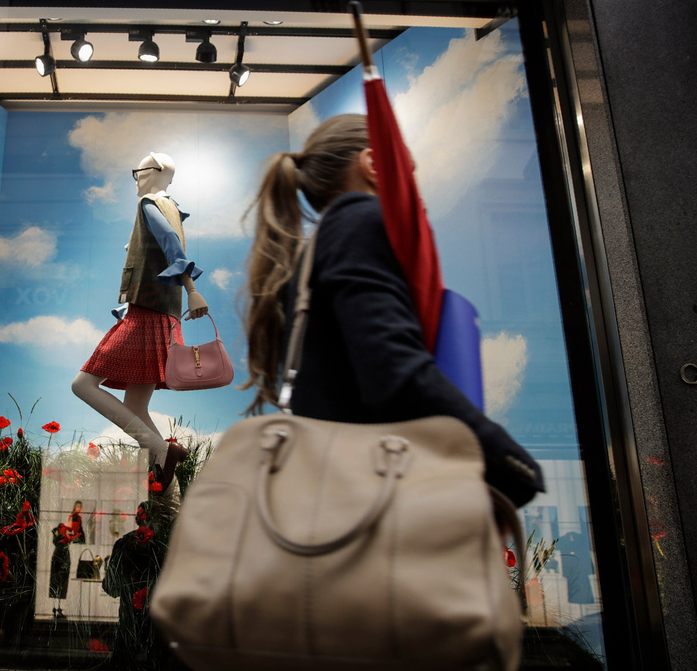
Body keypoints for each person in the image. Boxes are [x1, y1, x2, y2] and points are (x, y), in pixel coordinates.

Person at [242, 114, 544, 508]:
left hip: (338, 497)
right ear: (373, 164)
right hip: (373, 501)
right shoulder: (361, 221)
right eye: (410, 170)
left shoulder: (321, 246)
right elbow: (393, 370)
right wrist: (507, 463)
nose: (418, 191)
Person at [72, 152, 208, 492]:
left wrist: (192, 289)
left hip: (147, 314)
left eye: (140, 171)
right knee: (136, 406)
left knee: (82, 385)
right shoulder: (172, 207)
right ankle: (168, 494)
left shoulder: (150, 204)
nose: (136, 178)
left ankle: (164, 450)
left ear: (158, 172)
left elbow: (172, 246)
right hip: (161, 315)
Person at [49, 500, 84, 618]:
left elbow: (79, 534)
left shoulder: (76, 521)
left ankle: (58, 606)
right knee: (56, 580)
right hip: (59, 555)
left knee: (63, 580)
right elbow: (57, 541)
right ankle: (55, 606)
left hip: (64, 554)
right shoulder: (60, 530)